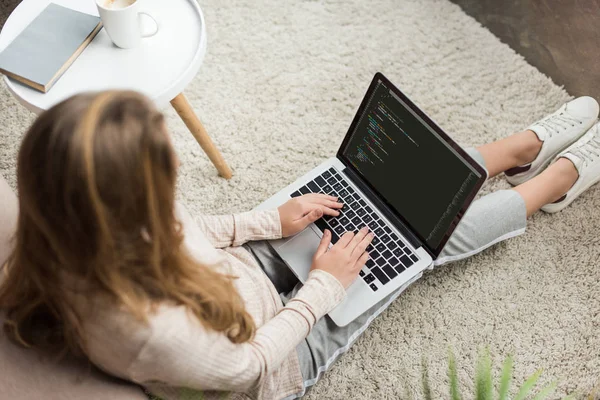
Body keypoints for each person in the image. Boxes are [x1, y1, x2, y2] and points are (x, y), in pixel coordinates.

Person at [0, 91, 598, 400]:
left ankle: (510, 152)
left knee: (373, 194)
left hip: (239, 278)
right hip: (282, 350)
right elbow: (246, 368)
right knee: (415, 240)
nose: (176, 168)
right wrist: (324, 287)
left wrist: (268, 221)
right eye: (166, 166)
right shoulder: (147, 329)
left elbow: (190, 230)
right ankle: (555, 181)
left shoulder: (77, 215)